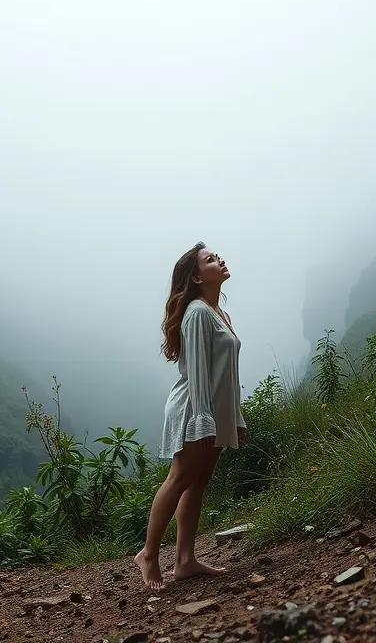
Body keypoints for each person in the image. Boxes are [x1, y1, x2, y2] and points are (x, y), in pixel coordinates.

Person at [134, 242, 245, 590]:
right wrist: (202, 420)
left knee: (199, 481)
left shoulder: (219, 314)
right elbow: (197, 371)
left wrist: (235, 419)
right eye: (211, 259)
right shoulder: (197, 312)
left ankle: (185, 561)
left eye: (217, 255)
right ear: (197, 276)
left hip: (212, 409)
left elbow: (227, 374)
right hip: (194, 409)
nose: (220, 259)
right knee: (180, 477)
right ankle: (148, 555)